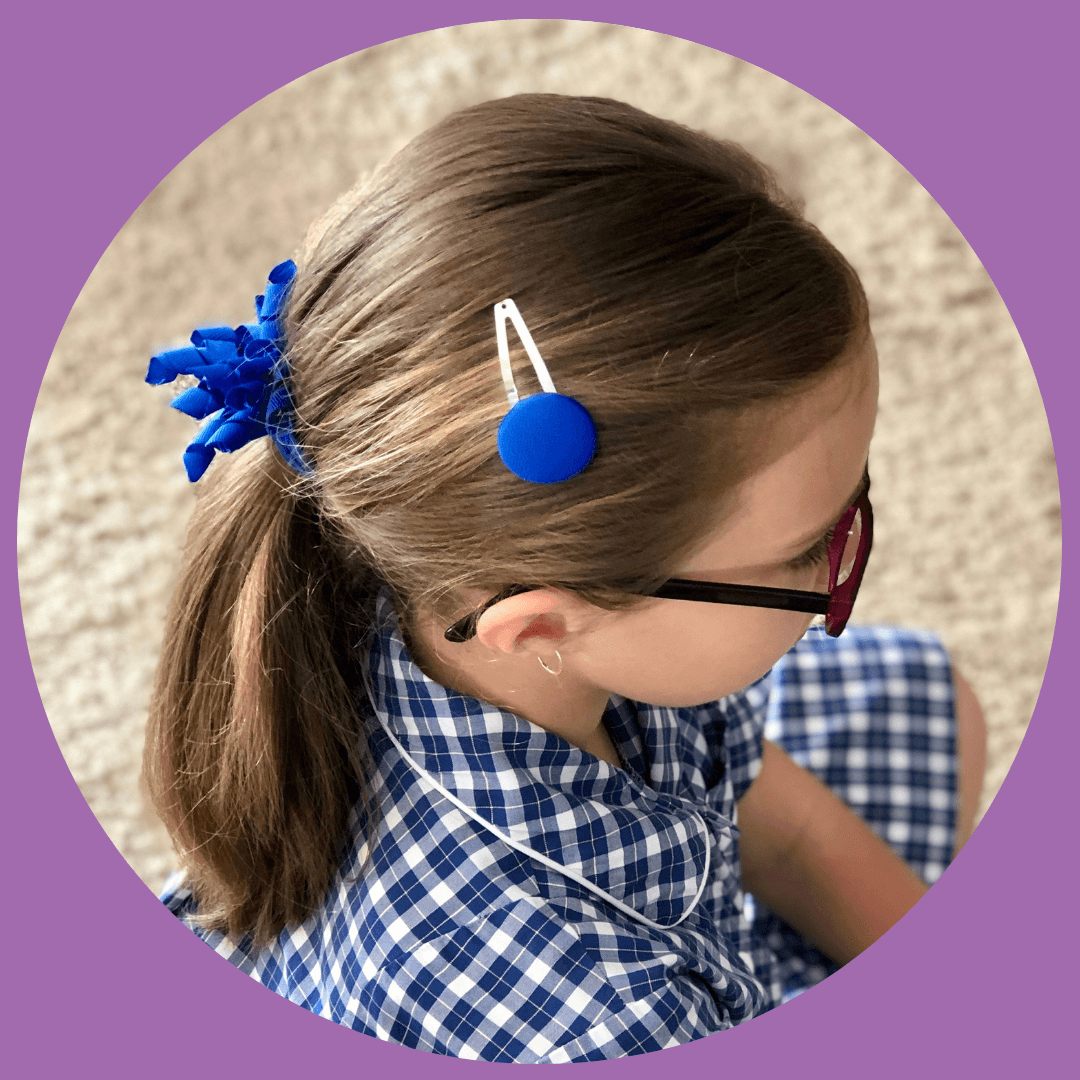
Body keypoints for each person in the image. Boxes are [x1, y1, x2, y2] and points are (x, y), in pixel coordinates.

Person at [145, 94, 986, 1062]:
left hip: (658, 890)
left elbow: (786, 832)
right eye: (808, 555)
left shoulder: (443, 573)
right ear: (544, 627)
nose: (844, 560)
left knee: (926, 696)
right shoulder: (591, 1016)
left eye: (854, 500)